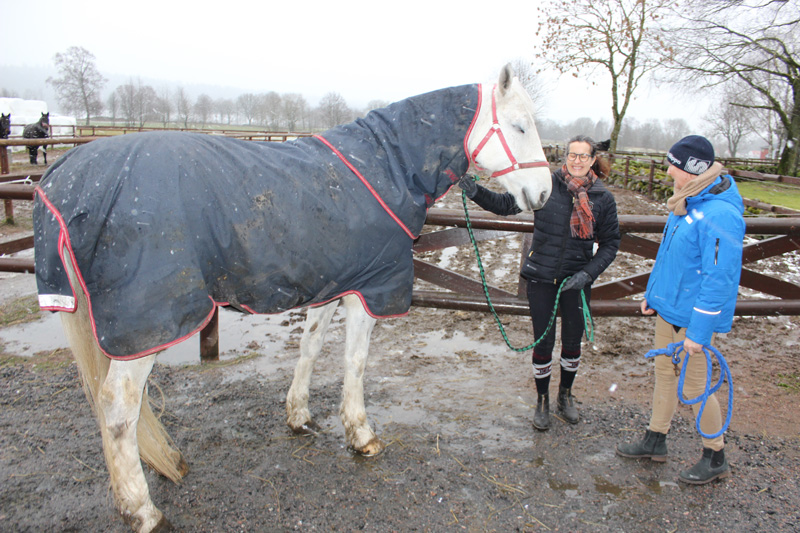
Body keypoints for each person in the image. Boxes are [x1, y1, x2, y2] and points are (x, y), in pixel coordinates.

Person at [459, 135, 620, 430]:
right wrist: (474, 191)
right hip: (542, 278)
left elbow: (610, 244)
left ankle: (566, 395)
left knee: (572, 343)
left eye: (584, 156)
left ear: (594, 159)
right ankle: (542, 399)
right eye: (572, 155)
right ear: (565, 156)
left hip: (577, 280)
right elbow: (506, 204)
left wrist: (587, 274)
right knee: (543, 344)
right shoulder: (545, 184)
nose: (577, 161)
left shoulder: (603, 199)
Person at [616, 135, 745, 485]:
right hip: (668, 310)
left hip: (692, 321)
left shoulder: (719, 215)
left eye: (674, 164)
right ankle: (656, 439)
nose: (668, 169)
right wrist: (653, 296)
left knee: (697, 387)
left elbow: (719, 278)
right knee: (664, 376)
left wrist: (700, 334)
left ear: (692, 169)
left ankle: (715, 454)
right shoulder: (686, 202)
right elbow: (670, 256)